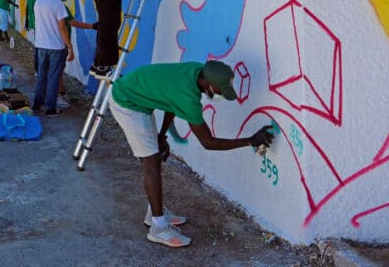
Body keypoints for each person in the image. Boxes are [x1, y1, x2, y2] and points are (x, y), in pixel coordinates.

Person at [108, 60, 275, 248]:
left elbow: (170, 102)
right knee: (151, 163)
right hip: (127, 103)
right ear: (208, 84)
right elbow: (208, 142)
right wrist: (250, 140)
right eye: (220, 90)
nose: (220, 94)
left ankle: (154, 213)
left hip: (136, 95)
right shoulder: (188, 98)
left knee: (154, 156)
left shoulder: (196, 71)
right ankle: (158, 228)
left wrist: (162, 135)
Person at [31, 0, 74, 116]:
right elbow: (62, 27)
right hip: (56, 46)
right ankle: (50, 108)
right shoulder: (58, 4)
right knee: (54, 77)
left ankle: (37, 104)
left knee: (41, 75)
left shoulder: (38, 0)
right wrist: (69, 46)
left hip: (40, 45)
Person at [56, 0, 97, 107]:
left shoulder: (44, 3)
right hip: (59, 44)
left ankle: (60, 93)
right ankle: (58, 96)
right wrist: (92, 26)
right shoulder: (61, 7)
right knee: (58, 71)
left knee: (56, 71)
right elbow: (72, 23)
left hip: (48, 44)